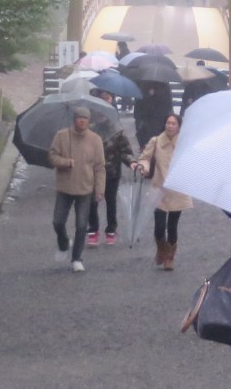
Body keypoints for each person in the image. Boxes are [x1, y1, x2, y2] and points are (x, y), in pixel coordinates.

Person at [46, 107, 106, 272]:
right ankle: (64, 242)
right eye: (79, 118)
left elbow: (100, 167)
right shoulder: (61, 136)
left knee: (81, 225)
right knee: (58, 221)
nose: (82, 121)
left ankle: (77, 258)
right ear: (74, 120)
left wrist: (100, 189)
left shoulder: (95, 140)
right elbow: (52, 156)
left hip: (85, 188)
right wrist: (65, 162)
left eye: (85, 118)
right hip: (65, 187)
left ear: (89, 121)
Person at [133, 113, 191, 270]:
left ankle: (169, 257)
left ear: (179, 127)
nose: (170, 126)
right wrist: (143, 167)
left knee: (172, 226)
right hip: (158, 189)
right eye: (168, 123)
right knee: (159, 227)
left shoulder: (184, 143)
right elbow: (145, 158)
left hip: (177, 190)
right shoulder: (156, 141)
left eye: (173, 123)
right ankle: (161, 248)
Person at [85, 89, 134, 246]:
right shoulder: (89, 129)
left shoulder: (116, 129)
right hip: (92, 172)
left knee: (111, 201)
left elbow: (125, 151)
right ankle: (93, 230)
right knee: (91, 202)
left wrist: (132, 162)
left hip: (112, 171)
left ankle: (111, 230)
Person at [132, 80, 170, 152]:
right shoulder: (143, 84)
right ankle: (144, 147)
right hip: (145, 116)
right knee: (144, 132)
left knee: (156, 133)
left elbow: (167, 102)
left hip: (159, 116)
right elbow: (139, 100)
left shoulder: (164, 85)